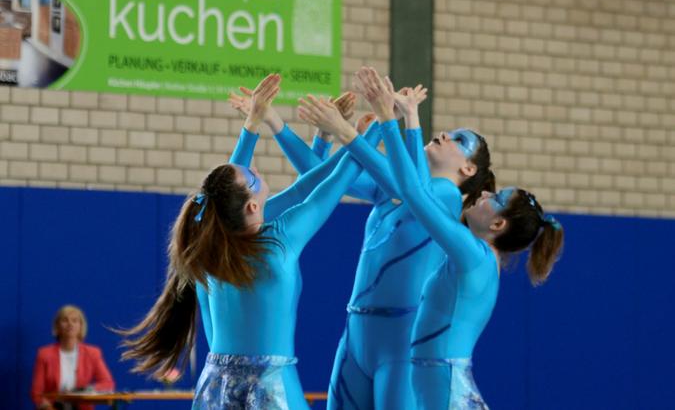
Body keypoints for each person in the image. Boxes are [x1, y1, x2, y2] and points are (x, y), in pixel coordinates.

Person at [119, 75, 366, 410]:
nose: (253, 170)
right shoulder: (276, 242)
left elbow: (243, 191)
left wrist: (255, 122)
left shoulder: (210, 248)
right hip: (270, 388)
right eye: (251, 176)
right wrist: (368, 130)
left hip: (215, 388)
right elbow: (327, 187)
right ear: (252, 206)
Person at [323, 67, 564, 410]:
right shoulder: (470, 251)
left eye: (492, 200)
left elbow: (414, 191)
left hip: (440, 388)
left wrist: (383, 122)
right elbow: (412, 189)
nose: (482, 196)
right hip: (428, 379)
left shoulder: (471, 251)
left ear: (497, 224)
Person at [295, 81, 495, 410]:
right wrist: (320, 133)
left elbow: (412, 187)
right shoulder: (391, 189)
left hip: (400, 341)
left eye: (459, 140)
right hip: (356, 331)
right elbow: (318, 179)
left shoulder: (446, 198)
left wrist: (396, 120)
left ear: (468, 169)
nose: (445, 134)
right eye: (450, 132)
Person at [31, 305, 114, 410]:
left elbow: (108, 383)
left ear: (81, 326)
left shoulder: (93, 353)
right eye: (65, 320)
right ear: (57, 326)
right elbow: (37, 393)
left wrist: (86, 390)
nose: (70, 324)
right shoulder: (44, 354)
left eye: (75, 321)